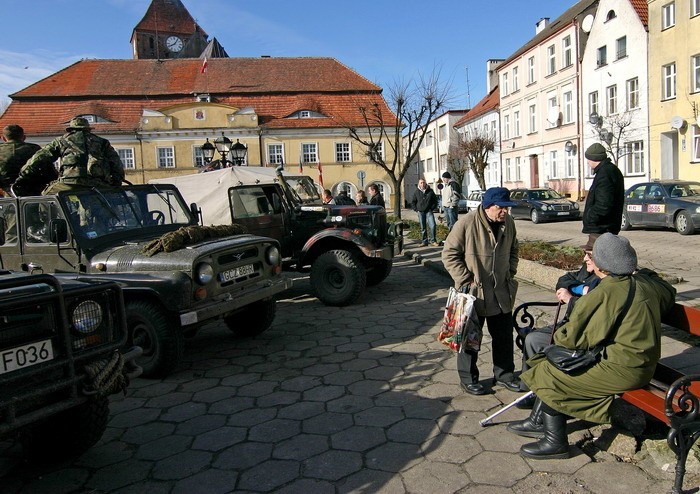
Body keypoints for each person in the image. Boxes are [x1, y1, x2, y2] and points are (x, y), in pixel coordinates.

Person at [510, 233, 676, 460]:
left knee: (549, 371)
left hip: (623, 369)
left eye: (593, 257)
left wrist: (563, 328)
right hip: (643, 363)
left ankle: (555, 442)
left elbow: (572, 339)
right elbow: (669, 291)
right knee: (552, 366)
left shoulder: (607, 292)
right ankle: (539, 422)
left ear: (603, 264)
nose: (589, 261)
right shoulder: (647, 284)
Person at [442, 187, 520, 395]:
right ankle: (468, 379)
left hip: (501, 291)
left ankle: (504, 375)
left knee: (503, 336)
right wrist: (466, 280)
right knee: (469, 338)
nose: (505, 212)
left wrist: (510, 271)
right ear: (488, 206)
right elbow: (449, 254)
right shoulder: (466, 223)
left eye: (506, 208)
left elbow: (514, 249)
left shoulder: (508, 223)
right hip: (473, 294)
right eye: (501, 208)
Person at [516, 237, 602, 409]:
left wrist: (571, 299)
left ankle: (540, 395)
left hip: (584, 336)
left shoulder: (608, 282)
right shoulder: (589, 271)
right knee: (533, 338)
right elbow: (564, 280)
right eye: (585, 254)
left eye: (589, 255)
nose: (585, 259)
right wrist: (579, 289)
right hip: (570, 325)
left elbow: (593, 314)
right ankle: (529, 390)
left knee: (534, 340)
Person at [14, 117, 124, 196]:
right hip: (96, 183)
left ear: (71, 129)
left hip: (69, 183)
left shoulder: (61, 141)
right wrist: (115, 183)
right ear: (88, 129)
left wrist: (23, 175)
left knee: (46, 198)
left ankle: (44, 225)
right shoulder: (102, 142)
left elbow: (39, 158)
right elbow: (116, 163)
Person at [581, 142, 625, 248]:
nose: (587, 162)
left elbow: (603, 205)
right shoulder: (610, 170)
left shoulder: (604, 174)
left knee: (595, 259)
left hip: (602, 228)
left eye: (588, 159)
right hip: (606, 227)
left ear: (594, 158)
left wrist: (590, 217)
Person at [0, 124, 41, 196]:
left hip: (5, 192)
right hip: (32, 191)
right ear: (24, 137)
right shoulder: (35, 149)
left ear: (3, 138)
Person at [411, 178, 439, 246]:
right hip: (420, 212)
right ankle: (424, 241)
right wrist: (416, 209)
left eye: (423, 182)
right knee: (423, 227)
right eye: (421, 183)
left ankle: (433, 241)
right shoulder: (416, 192)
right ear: (419, 184)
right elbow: (413, 202)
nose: (422, 184)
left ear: (425, 183)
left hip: (429, 211)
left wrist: (432, 208)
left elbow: (435, 201)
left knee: (432, 226)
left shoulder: (430, 191)